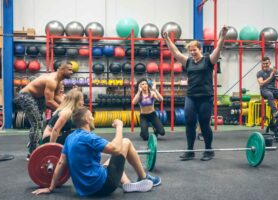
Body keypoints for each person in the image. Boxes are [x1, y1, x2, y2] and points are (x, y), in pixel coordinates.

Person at [32, 107, 161, 197]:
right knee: (125, 142)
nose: (93, 119)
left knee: (108, 162)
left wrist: (50, 187)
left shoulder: (70, 137)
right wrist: (120, 127)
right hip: (102, 186)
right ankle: (143, 177)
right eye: (91, 116)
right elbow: (115, 149)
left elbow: (60, 163)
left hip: (84, 190)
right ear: (87, 120)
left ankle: (127, 184)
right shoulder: (89, 137)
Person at [163, 26, 229, 161]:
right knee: (190, 123)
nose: (192, 52)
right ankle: (190, 150)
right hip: (191, 96)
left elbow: (218, 49)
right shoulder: (188, 62)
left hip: (205, 97)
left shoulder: (208, 61)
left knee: (204, 124)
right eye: (190, 50)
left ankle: (209, 150)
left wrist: (222, 36)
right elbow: (175, 52)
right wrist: (167, 39)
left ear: (200, 49)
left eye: (194, 50)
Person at [14, 61, 73, 154]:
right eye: (69, 70)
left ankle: (35, 141)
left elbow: (57, 96)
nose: (72, 72)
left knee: (41, 122)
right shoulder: (52, 80)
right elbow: (49, 102)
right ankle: (33, 152)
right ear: (61, 70)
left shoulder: (59, 81)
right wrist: (63, 110)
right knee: (37, 124)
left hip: (38, 97)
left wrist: (70, 106)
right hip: (25, 96)